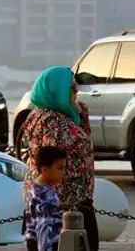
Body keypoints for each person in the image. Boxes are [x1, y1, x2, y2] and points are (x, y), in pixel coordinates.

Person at [20, 66, 97, 251]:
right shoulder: (50, 121)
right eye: (71, 88)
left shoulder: (60, 116)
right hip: (62, 204)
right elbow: (51, 163)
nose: (76, 91)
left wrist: (80, 112)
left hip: (73, 201)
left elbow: (82, 137)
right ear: (57, 90)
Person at [26, 145, 69, 251]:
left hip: (33, 241)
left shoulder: (35, 189)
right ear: (45, 170)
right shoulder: (46, 196)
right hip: (48, 245)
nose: (63, 172)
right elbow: (44, 227)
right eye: (60, 168)